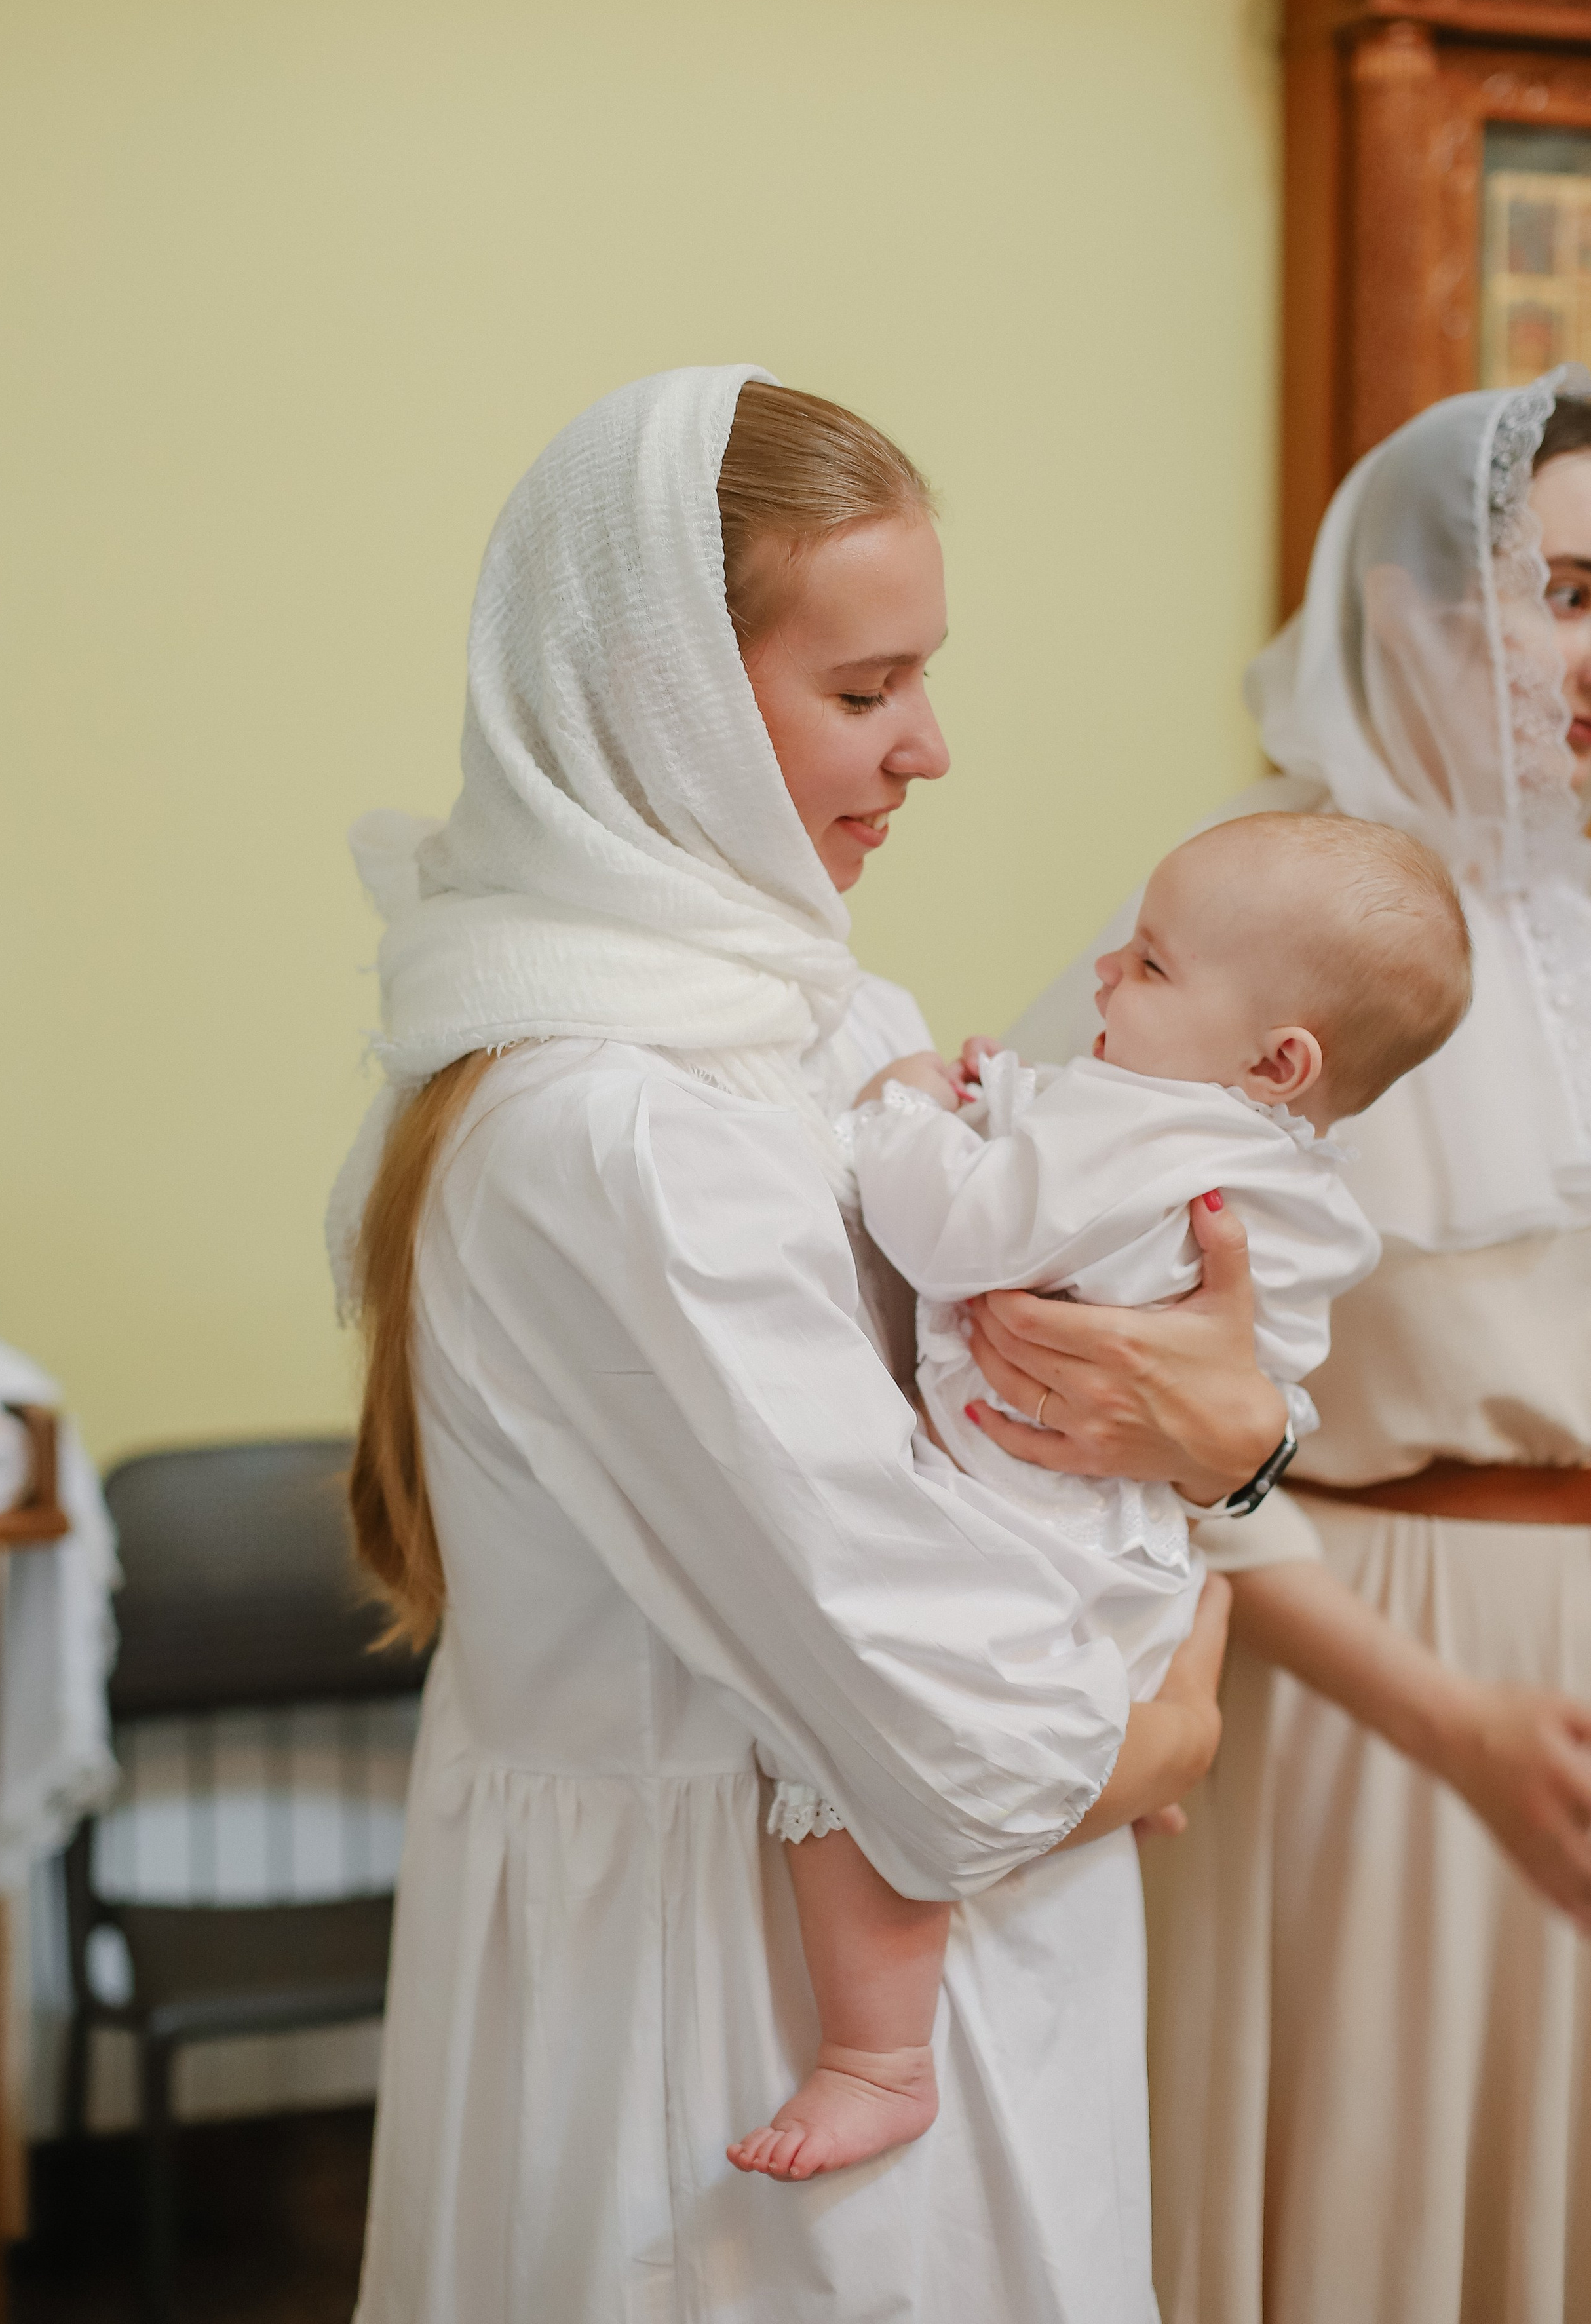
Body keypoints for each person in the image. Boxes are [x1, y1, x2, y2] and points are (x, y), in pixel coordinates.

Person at [332, 368, 1284, 2324]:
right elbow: (944, 1714)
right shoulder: (614, 1129)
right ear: (661, 698)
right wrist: (1172, 1715)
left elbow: (1028, 1447)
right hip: (732, 2001)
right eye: (863, 690)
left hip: (914, 1934)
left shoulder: (817, 1020)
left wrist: (1217, 1440)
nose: (930, 746)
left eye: (920, 677)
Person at [1006, 368, 1591, 2324]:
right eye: (1568, 595)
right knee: (1371, 2194)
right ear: (1413, 613)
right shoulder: (1255, 923)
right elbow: (1115, 1401)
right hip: (1366, 1666)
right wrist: (1447, 1722)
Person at [730, 810, 1472, 2184]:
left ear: (1276, 1058)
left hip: (1024, 1533)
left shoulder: (1149, 1133)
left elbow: (958, 1227)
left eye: (1150, 964)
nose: (1104, 975)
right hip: (1128, 1547)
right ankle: (1116, 1763)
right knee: (1043, 1753)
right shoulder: (1286, 1178)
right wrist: (1007, 1102)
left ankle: (877, 2057)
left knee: (850, 1766)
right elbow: (1229, 1344)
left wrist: (903, 1107)